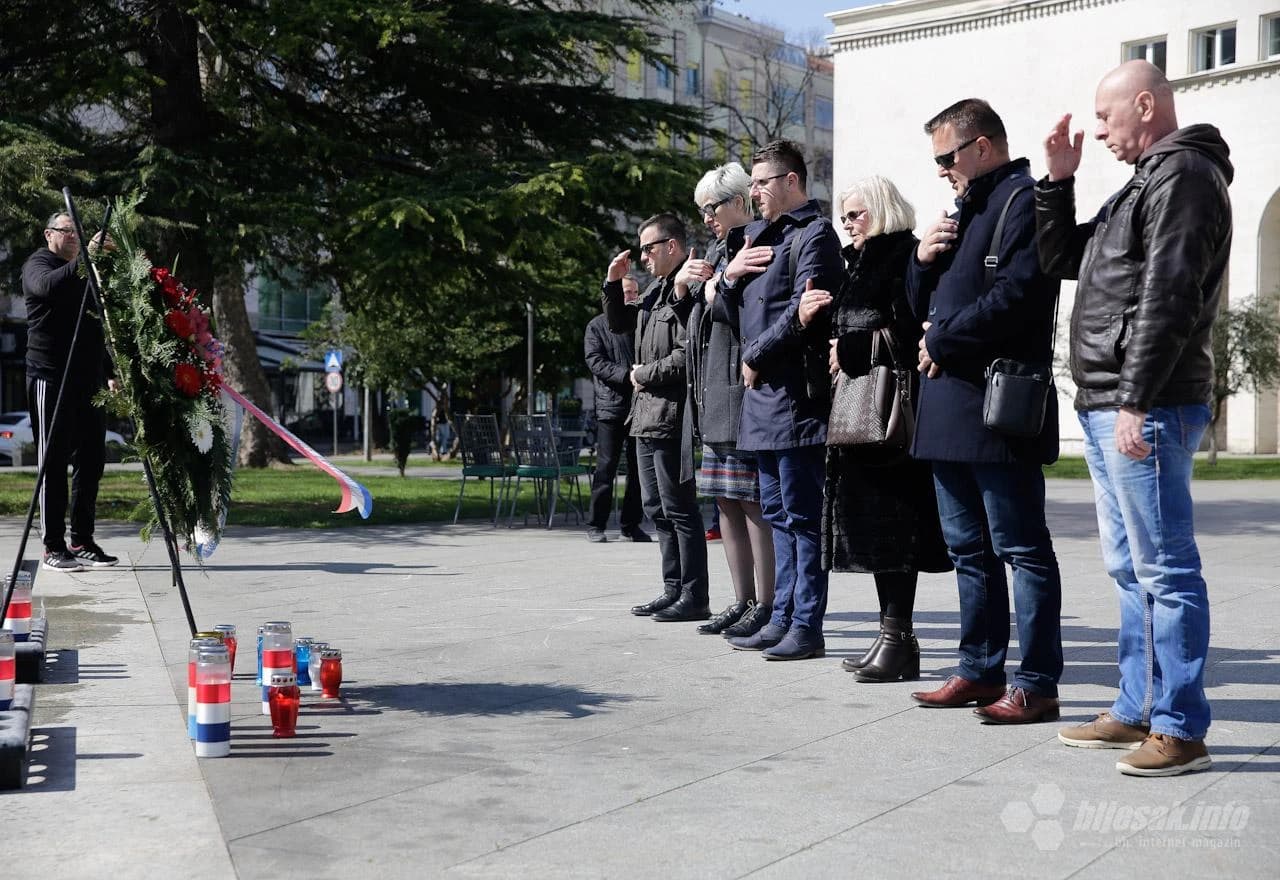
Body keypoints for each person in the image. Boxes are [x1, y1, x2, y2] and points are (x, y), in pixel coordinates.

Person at [1036, 60, 1231, 776]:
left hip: (1144, 403)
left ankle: (1180, 728)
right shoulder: (1144, 182)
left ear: (1145, 105)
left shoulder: (1183, 176)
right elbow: (1064, 258)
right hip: (1110, 401)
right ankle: (1135, 708)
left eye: (1106, 116)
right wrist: (1057, 180)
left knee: (1165, 569)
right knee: (1130, 568)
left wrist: (1136, 399)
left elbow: (1170, 294)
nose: (1097, 129)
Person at [904, 100, 1064, 722]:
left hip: (998, 407)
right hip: (947, 408)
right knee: (967, 548)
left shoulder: (1020, 199)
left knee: (1021, 548)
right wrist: (922, 261)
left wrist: (942, 340)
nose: (942, 170)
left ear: (983, 146)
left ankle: (1038, 680)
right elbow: (924, 305)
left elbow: (1021, 295)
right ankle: (978, 668)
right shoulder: (963, 210)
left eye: (948, 157)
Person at [809, 177, 952, 682]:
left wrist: (850, 350)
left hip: (891, 421)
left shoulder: (902, 256)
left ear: (883, 209)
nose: (848, 224)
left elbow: (911, 326)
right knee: (874, 533)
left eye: (856, 214)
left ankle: (899, 638)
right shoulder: (861, 261)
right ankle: (891, 636)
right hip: (859, 417)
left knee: (895, 531)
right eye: (844, 217)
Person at [719, 140, 844, 660]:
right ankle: (783, 616)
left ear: (792, 181)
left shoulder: (814, 235)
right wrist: (729, 277)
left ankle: (805, 624)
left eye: (763, 182)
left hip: (794, 395)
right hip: (761, 396)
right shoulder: (755, 239)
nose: (754, 192)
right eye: (751, 182)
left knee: (800, 513)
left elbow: (804, 310)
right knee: (774, 510)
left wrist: (755, 354)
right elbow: (731, 314)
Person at [682, 162, 776, 638]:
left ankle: (766, 602)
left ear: (738, 202)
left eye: (711, 208)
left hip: (741, 391)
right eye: (701, 211)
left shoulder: (756, 243)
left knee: (752, 502)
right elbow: (698, 321)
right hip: (712, 392)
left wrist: (720, 284)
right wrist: (689, 286)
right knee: (725, 502)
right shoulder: (720, 251)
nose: (707, 219)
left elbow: (741, 313)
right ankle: (740, 600)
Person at [602, 214, 709, 621]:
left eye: (649, 247)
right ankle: (672, 588)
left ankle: (695, 596)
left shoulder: (688, 288)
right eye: (642, 248)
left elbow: (688, 355)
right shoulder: (654, 291)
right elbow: (618, 324)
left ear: (672, 246)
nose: (644, 256)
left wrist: (642, 375)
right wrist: (613, 283)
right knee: (655, 508)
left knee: (680, 508)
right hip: (644, 416)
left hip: (672, 415)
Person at [22, 213, 119, 572]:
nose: (75, 236)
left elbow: (94, 326)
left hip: (87, 378)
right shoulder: (39, 263)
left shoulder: (85, 271)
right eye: (68, 231)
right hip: (51, 376)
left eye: (79, 232)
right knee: (53, 461)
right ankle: (52, 546)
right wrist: (86, 259)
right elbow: (48, 288)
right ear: (49, 234)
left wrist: (108, 372)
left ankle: (82, 539)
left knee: (92, 459)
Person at [583, 275, 649, 543]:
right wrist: (627, 375)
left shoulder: (643, 322)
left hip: (641, 406)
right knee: (606, 468)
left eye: (634, 292)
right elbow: (595, 361)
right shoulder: (596, 326)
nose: (630, 296)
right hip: (611, 407)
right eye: (626, 292)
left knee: (638, 470)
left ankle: (630, 524)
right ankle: (596, 525)